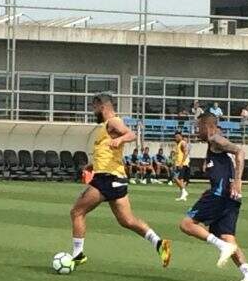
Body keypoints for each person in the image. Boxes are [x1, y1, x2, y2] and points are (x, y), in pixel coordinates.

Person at [69, 92, 171, 268]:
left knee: (77, 212)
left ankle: (78, 254)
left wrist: (121, 139)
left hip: (107, 179)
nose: (93, 111)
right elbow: (107, 153)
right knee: (127, 221)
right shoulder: (104, 127)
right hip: (112, 177)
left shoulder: (113, 121)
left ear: (102, 106)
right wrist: (92, 166)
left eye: (94, 108)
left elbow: (131, 135)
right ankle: (159, 243)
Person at [179, 112, 248, 281]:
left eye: (199, 127)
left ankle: (222, 247)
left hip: (221, 195)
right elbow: (224, 170)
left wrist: (238, 181)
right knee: (227, 236)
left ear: (208, 126)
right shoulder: (213, 144)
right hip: (229, 197)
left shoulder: (216, 140)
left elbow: (240, 152)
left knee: (186, 224)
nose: (196, 130)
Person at [171, 131, 190, 201]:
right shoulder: (178, 144)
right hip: (178, 164)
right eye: (175, 137)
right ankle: (183, 195)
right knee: (180, 180)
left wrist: (182, 163)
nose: (176, 138)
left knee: (175, 178)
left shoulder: (182, 143)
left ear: (180, 136)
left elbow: (185, 153)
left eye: (177, 136)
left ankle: (184, 191)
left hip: (182, 164)